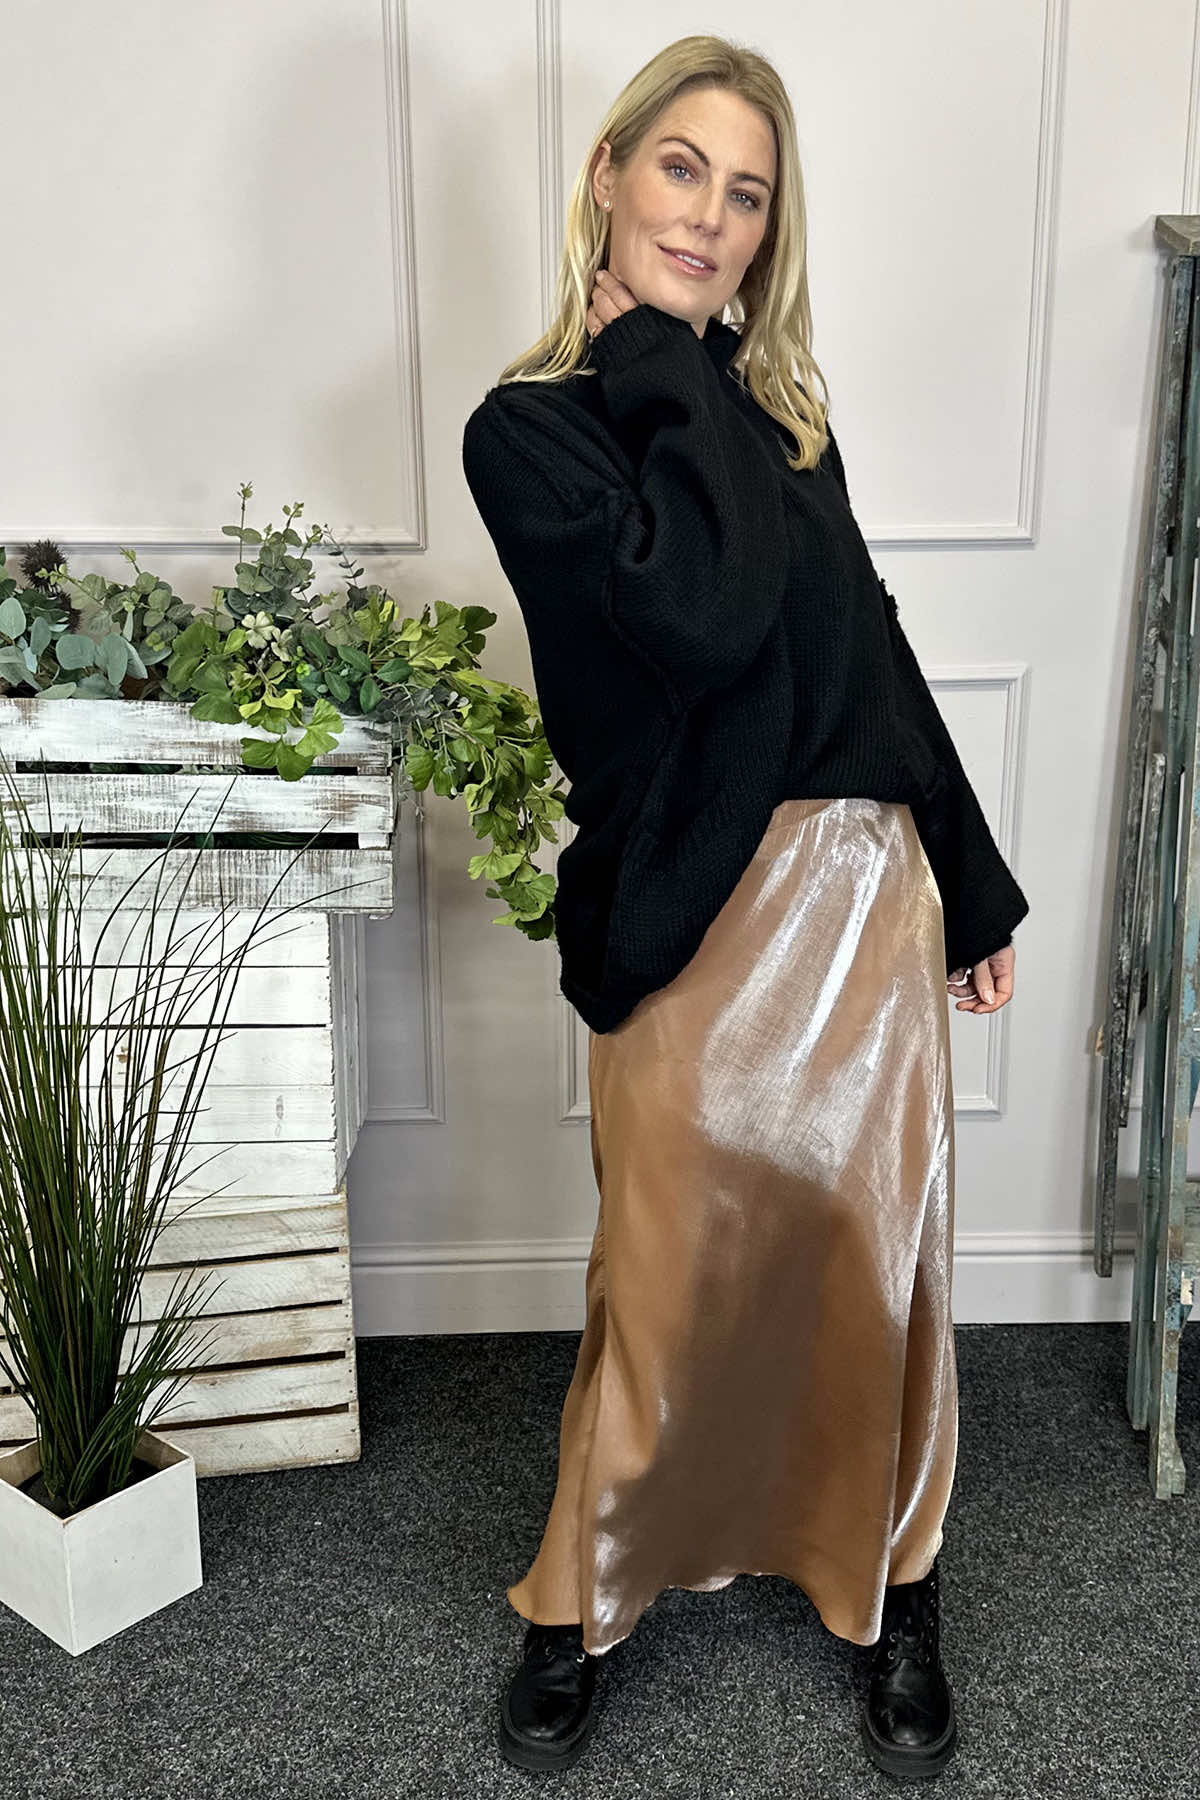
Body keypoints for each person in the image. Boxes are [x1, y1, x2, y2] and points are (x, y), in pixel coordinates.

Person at [461, 32, 1028, 1782]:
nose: (709, 216)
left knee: (873, 1266)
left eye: (749, 194)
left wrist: (972, 880)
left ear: (774, 232)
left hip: (865, 892)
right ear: (611, 175)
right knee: (663, 1275)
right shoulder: (531, 432)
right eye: (682, 169)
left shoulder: (787, 423)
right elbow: (697, 621)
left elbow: (868, 650)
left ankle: (899, 1584)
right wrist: (654, 354)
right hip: (692, 908)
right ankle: (582, 1592)